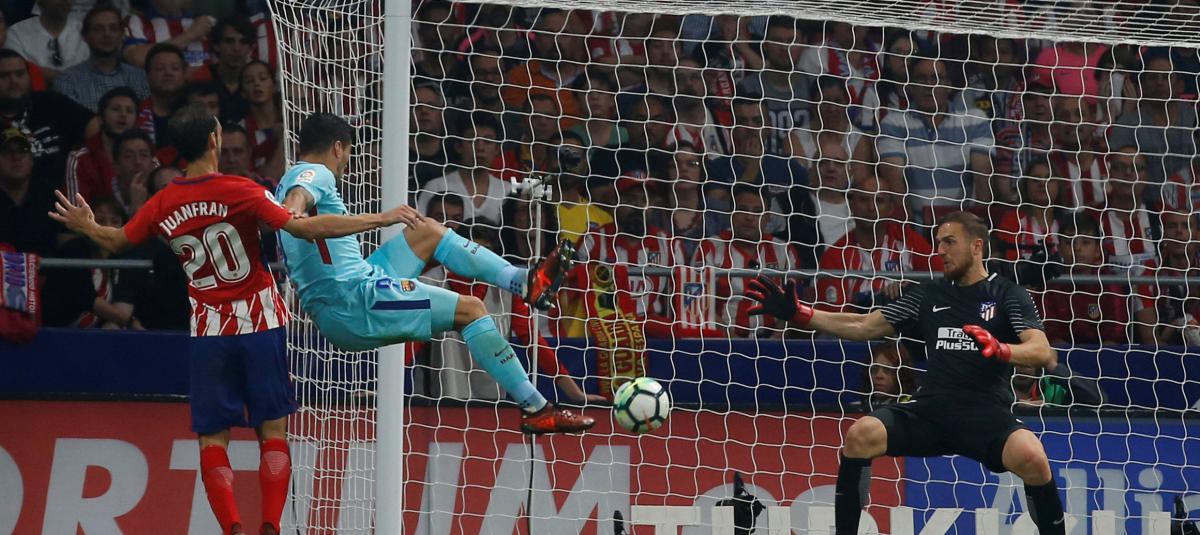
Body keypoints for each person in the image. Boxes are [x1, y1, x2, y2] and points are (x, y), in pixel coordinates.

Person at [49, 104, 417, 535]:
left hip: (209, 331)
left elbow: (116, 241)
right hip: (260, 322)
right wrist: (383, 218)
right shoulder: (241, 189)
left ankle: (233, 529)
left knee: (212, 437)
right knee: (272, 430)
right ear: (214, 140)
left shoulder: (162, 202)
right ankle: (270, 525)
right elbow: (302, 227)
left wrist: (89, 226)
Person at [744, 211, 1066, 535]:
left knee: (1033, 458)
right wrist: (801, 314)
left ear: (976, 246)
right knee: (861, 435)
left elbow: (1041, 350)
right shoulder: (929, 294)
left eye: (949, 242)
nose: (940, 250)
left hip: (986, 414)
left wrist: (1002, 349)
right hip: (932, 410)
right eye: (938, 243)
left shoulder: (1008, 294)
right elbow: (864, 325)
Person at [275, 112, 595, 434]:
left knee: (427, 231)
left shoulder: (287, 180)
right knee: (471, 309)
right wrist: (378, 218)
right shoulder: (314, 174)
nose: (346, 162)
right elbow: (296, 203)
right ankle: (536, 407)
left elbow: (292, 206)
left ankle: (524, 281)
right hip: (353, 301)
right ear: (337, 148)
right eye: (348, 153)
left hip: (355, 284)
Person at [52, 4, 150, 111]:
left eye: (113, 28)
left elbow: (147, 117)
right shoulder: (68, 81)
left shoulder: (140, 79)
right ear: (85, 36)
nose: (107, 34)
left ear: (122, 35)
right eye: (98, 29)